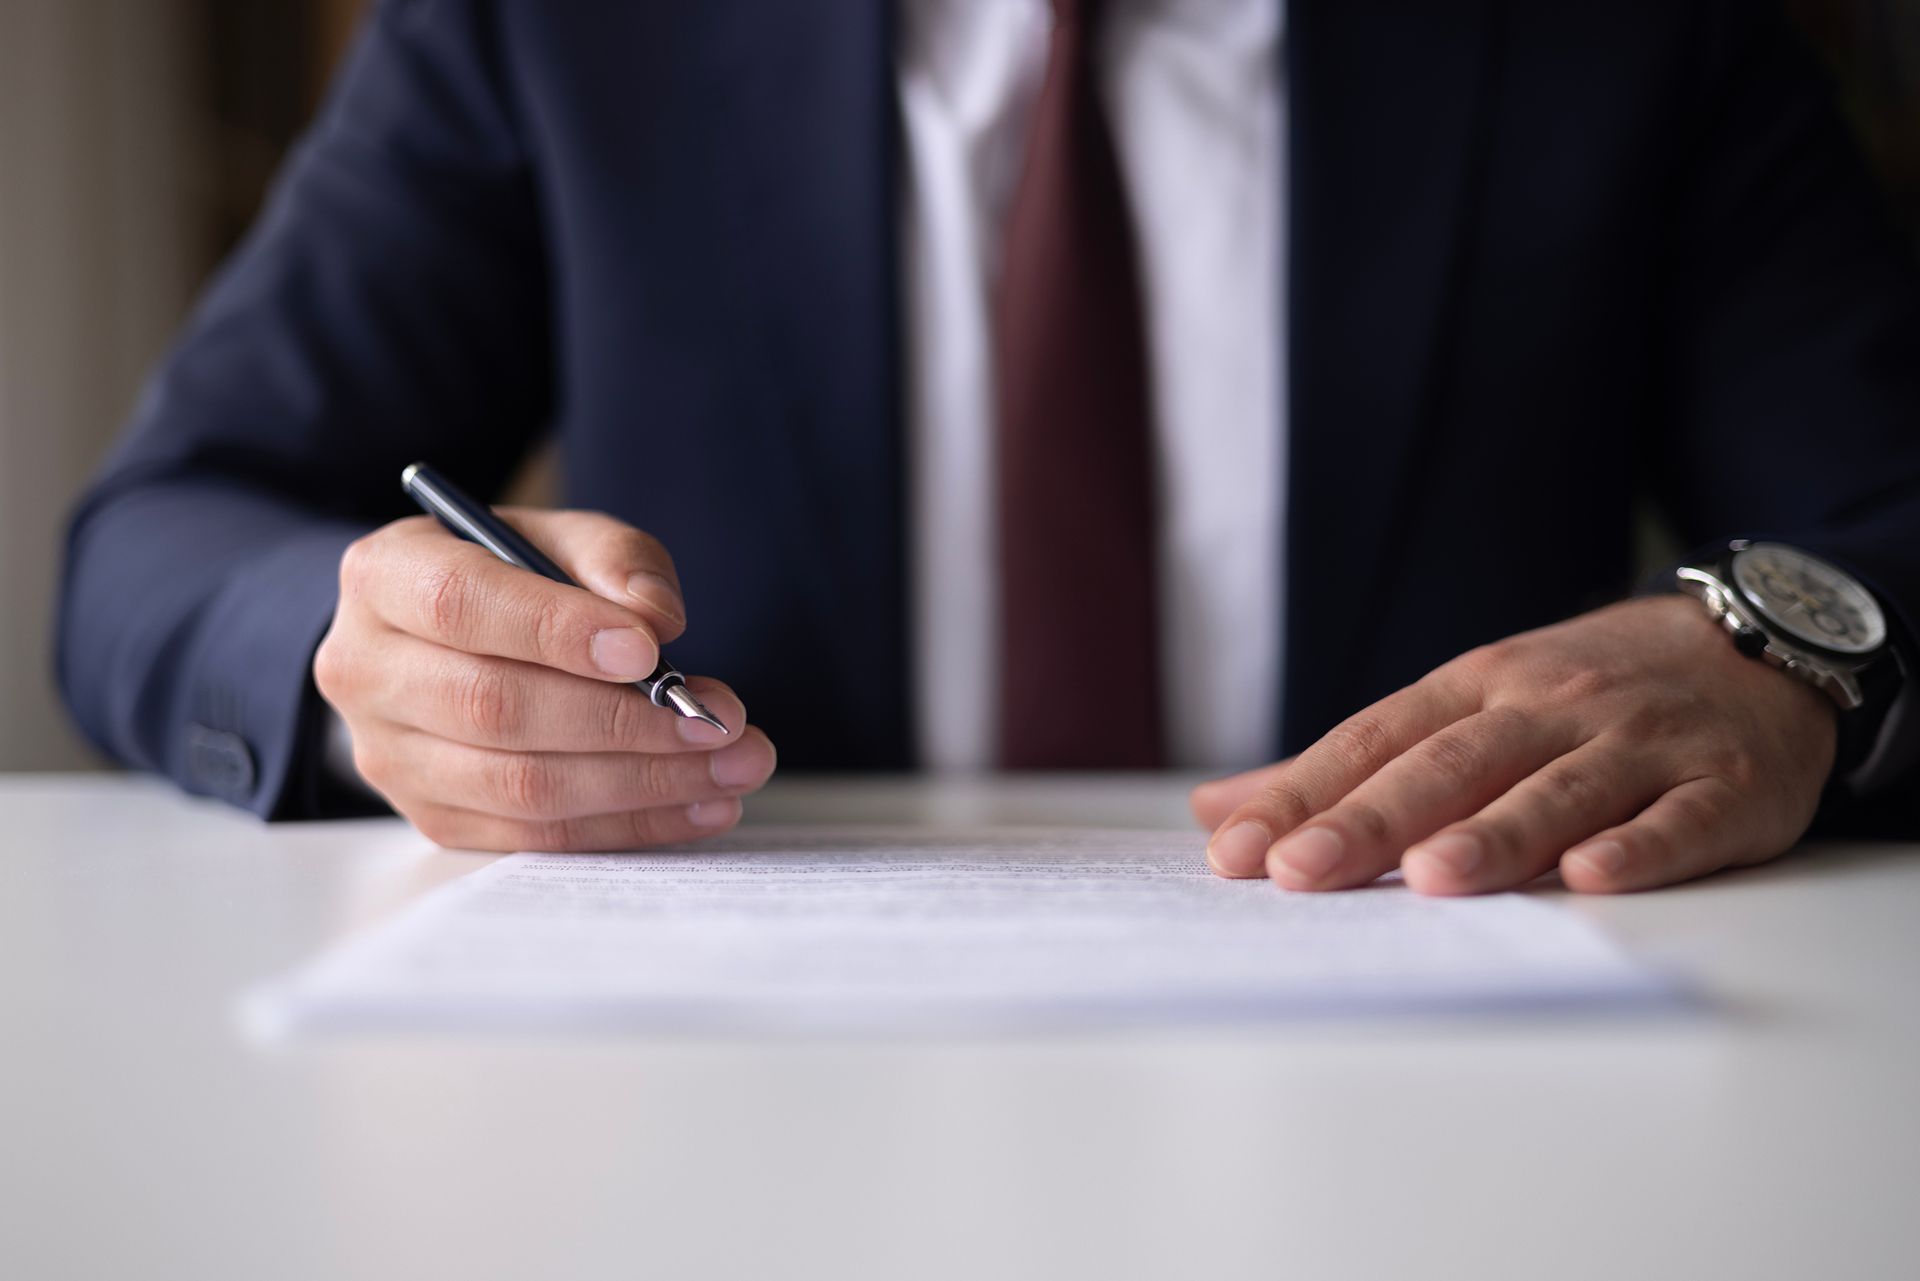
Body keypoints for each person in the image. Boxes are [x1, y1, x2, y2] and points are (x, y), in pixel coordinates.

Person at [57, 0, 1920, 895]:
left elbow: (1890, 523)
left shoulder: (1648, 33)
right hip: (711, 1105)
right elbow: (160, 534)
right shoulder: (553, 25)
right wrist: (357, 652)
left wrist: (1793, 665)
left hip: (1469, 1083)